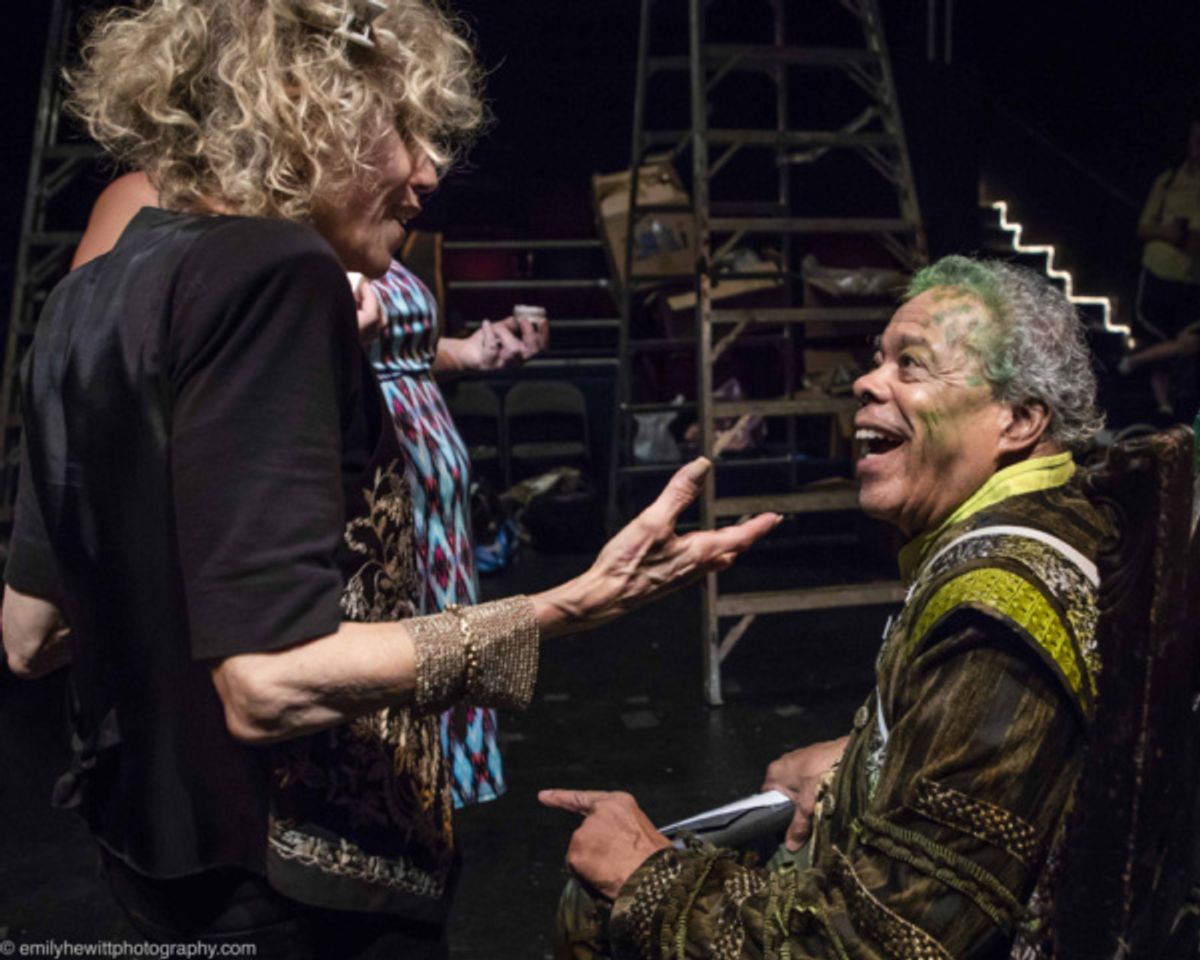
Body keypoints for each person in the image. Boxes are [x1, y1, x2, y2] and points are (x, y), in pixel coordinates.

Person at [0, 0, 778, 955]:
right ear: (303, 108)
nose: (428, 170)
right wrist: (569, 606)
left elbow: (30, 637)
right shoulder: (274, 271)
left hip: (147, 856)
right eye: (400, 127)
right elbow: (268, 686)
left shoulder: (86, 291)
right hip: (298, 885)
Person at [542, 255, 1114, 959]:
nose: (867, 382)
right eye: (878, 360)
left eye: (912, 366)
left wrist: (649, 878)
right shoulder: (1057, 521)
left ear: (1019, 419)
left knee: (592, 905)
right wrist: (861, 765)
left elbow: (887, 941)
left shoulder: (995, 611)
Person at [73, 168, 547, 811]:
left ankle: (426, 813)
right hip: (340, 478)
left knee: (427, 681)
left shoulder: (336, 210)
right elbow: (104, 361)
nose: (425, 168)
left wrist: (466, 353)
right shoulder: (167, 204)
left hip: (430, 498)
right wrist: (323, 336)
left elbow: (401, 348)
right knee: (347, 715)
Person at [1132, 112, 1200, 422]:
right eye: (1193, 137)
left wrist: (1186, 237)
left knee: (1186, 344)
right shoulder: (1169, 179)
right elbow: (1144, 226)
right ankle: (1163, 409)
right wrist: (1169, 233)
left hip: (1190, 280)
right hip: (1157, 273)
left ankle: (1130, 363)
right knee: (1156, 338)